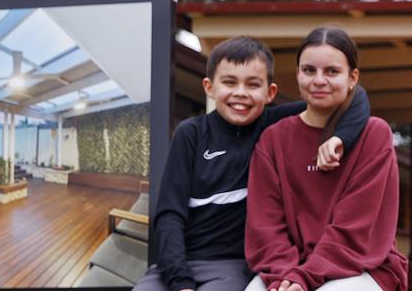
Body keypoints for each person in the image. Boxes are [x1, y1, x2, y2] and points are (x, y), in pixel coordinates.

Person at [132, 36, 370, 291]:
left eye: (253, 84)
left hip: (233, 267)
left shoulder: (275, 126)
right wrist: (181, 282)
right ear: (209, 87)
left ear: (270, 93)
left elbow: (354, 97)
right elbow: (170, 214)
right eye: (229, 82)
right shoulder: (190, 133)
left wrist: (339, 138)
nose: (241, 93)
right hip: (176, 266)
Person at [244, 27, 408, 291]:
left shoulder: (374, 135)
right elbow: (265, 228)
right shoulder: (273, 139)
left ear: (353, 77)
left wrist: (305, 277)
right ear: (298, 74)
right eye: (309, 70)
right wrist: (286, 276)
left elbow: (354, 231)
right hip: (290, 266)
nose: (319, 80)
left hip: (363, 266)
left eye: (332, 71)